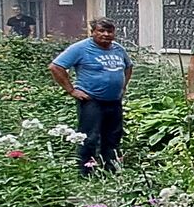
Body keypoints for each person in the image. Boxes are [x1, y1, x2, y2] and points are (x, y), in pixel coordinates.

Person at [49, 18, 133, 177]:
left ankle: (111, 170)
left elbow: (128, 67)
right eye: (101, 31)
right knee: (89, 137)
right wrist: (72, 90)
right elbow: (55, 67)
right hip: (91, 101)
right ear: (93, 32)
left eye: (110, 31)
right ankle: (85, 172)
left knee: (113, 136)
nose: (106, 35)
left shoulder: (118, 49)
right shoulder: (80, 48)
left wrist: (123, 87)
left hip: (114, 101)